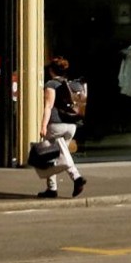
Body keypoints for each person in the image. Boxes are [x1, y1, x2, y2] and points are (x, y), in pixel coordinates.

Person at [37, 56, 85, 198]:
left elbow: (48, 106)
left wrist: (43, 125)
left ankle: (77, 178)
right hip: (71, 125)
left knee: (53, 155)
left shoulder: (51, 84)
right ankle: (51, 188)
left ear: (51, 70)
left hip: (56, 125)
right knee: (60, 155)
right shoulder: (74, 85)